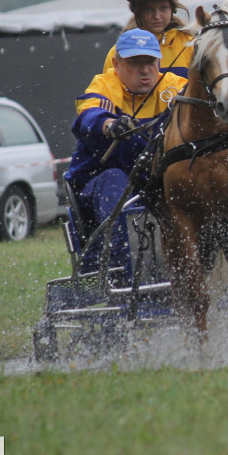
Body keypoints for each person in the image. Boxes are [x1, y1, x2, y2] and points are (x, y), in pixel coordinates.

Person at [64, 28, 187, 280]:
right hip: (98, 188)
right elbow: (88, 116)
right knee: (115, 180)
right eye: (135, 63)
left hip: (157, 186)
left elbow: (201, 106)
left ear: (159, 63)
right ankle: (128, 280)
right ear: (116, 65)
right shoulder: (104, 85)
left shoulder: (174, 86)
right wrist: (109, 125)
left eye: (150, 62)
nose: (144, 70)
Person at [103, 0, 192, 79]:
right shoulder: (119, 52)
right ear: (137, 11)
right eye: (149, 9)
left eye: (163, 8)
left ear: (173, 9)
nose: (157, 16)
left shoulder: (191, 46)